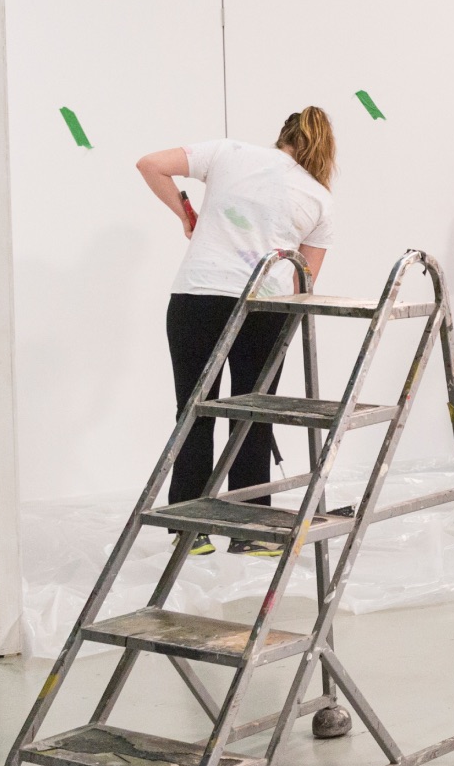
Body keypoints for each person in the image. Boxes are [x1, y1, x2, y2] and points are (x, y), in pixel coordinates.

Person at [135, 106, 337, 557]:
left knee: (194, 409)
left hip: (198, 296)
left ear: (282, 136)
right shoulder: (319, 197)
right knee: (253, 414)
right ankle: (249, 530)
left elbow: (150, 164)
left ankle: (189, 529)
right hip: (265, 306)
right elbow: (304, 281)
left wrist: (186, 214)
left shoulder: (228, 153)